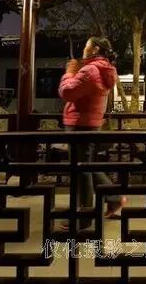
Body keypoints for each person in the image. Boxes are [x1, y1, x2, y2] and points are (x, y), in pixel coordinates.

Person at [58, 36, 127, 230]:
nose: (83, 48)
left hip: (80, 123)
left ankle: (85, 216)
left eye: (86, 45)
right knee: (86, 166)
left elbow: (67, 92)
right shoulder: (104, 69)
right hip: (90, 123)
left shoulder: (90, 70)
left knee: (82, 171)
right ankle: (114, 198)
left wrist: (69, 73)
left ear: (95, 49)